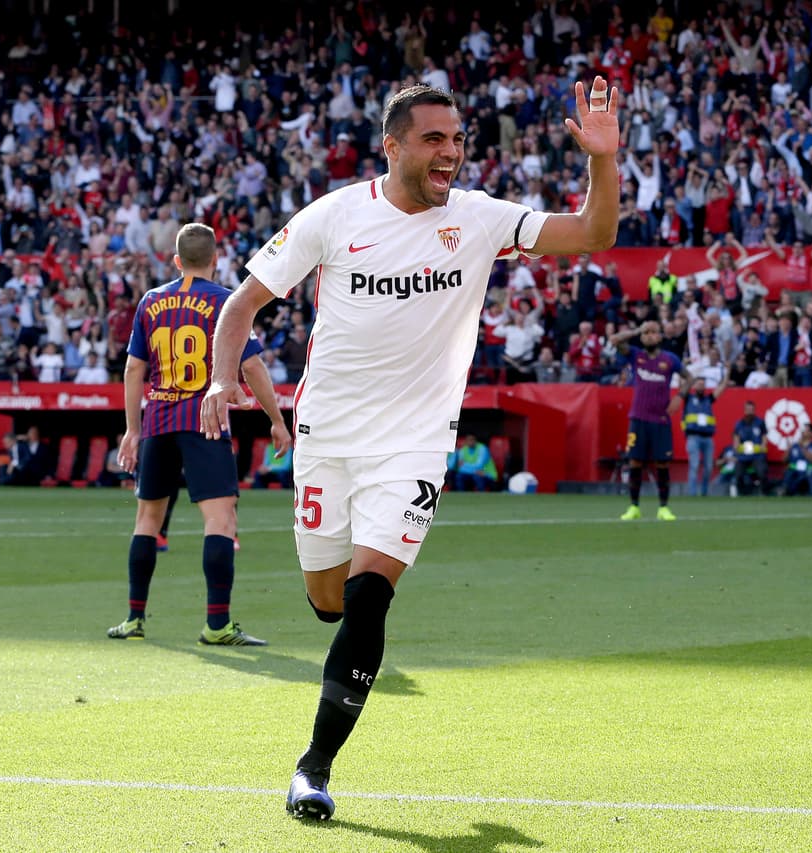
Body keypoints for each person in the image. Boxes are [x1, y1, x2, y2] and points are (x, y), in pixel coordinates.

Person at [200, 79, 621, 821]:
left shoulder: (482, 218)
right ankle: (334, 613)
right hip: (327, 435)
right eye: (434, 140)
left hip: (416, 443)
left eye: (457, 140)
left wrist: (603, 163)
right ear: (391, 146)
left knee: (368, 596)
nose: (451, 154)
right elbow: (242, 304)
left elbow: (593, 234)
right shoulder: (334, 216)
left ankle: (313, 767)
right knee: (327, 600)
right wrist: (217, 380)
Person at [108, 222, 291, 645]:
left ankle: (134, 618)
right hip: (204, 421)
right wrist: (276, 420)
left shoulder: (150, 301)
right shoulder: (227, 302)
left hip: (156, 421)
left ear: (176, 261)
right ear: (215, 259)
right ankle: (217, 624)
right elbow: (251, 365)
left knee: (148, 520)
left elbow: (134, 368)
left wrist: (132, 430)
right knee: (220, 520)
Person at [610, 320, 682, 520]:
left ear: (660, 336)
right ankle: (634, 506)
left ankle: (663, 507)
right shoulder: (636, 355)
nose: (650, 335)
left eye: (654, 332)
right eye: (647, 333)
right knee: (635, 462)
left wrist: (679, 397)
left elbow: (690, 377)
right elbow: (614, 339)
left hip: (660, 420)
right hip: (638, 418)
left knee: (662, 464)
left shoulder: (670, 360)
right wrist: (636, 330)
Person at [679, 373, 727, 497]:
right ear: (694, 385)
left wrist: (728, 372)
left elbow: (722, 388)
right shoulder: (688, 398)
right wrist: (683, 370)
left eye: (703, 384)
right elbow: (681, 386)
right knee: (694, 465)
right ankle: (692, 494)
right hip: (693, 437)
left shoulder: (708, 400)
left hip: (707, 438)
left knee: (709, 467)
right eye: (699, 383)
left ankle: (704, 493)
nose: (701, 386)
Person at [731, 400, 768, 496]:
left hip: (757, 456)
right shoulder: (739, 424)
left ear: (754, 410)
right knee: (738, 474)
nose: (749, 412)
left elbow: (764, 439)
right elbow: (736, 441)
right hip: (743, 456)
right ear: (744, 410)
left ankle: (763, 492)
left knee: (762, 472)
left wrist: (762, 447)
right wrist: (736, 451)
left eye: (751, 409)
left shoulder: (760, 423)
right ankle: (743, 493)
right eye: (748, 409)